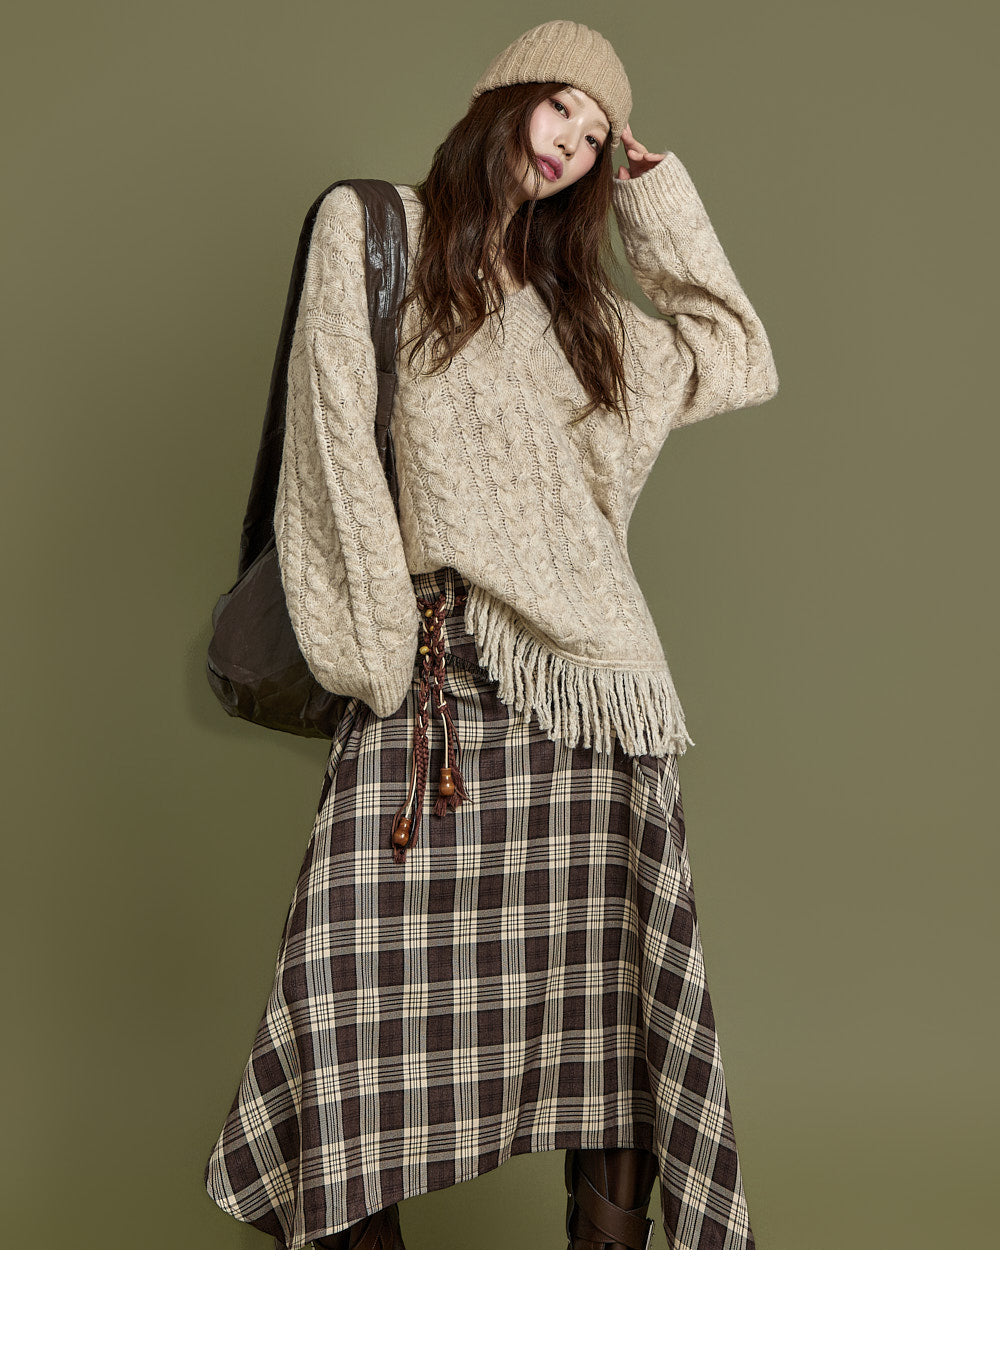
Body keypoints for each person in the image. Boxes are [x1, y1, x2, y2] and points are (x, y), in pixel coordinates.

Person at [203, 19, 779, 1250]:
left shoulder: (582, 310)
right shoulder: (375, 228)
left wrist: (654, 197)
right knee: (349, 993)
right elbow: (332, 443)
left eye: (596, 136)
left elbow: (738, 356)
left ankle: (604, 1280)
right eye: (561, 107)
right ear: (503, 96)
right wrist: (375, 660)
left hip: (594, 693)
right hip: (432, 671)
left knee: (607, 1010)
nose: (572, 144)